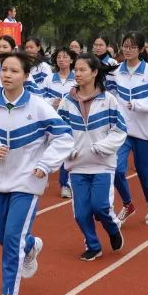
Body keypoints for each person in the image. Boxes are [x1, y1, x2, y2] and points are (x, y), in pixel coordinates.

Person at [0, 52, 74, 295]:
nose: (7, 75)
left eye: (14, 71)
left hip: (27, 181)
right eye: (4, 70)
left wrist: (45, 164)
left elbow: (64, 137)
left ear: (26, 76)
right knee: (3, 237)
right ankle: (31, 245)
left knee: (11, 238)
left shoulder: (38, 107)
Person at [57, 53, 126, 261]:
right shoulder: (67, 101)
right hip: (77, 165)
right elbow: (59, 132)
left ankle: (113, 229)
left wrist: (102, 146)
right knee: (81, 213)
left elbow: (120, 130)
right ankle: (93, 244)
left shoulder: (109, 100)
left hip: (102, 164)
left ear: (95, 72)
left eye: (82, 70)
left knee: (101, 206)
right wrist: (68, 150)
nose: (77, 74)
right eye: (75, 70)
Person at [108, 31, 148, 227]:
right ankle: (128, 204)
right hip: (122, 130)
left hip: (144, 131)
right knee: (115, 169)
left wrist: (138, 104)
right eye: (125, 46)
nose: (127, 50)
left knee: (145, 173)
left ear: (141, 49)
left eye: (132, 46)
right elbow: (110, 95)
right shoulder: (116, 71)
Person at [45, 47, 77, 198]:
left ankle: (65, 184)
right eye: (59, 57)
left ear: (71, 60)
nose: (61, 60)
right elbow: (40, 98)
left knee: (68, 152)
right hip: (53, 121)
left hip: (72, 121)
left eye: (65, 57)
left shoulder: (77, 78)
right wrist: (52, 102)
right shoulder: (49, 79)